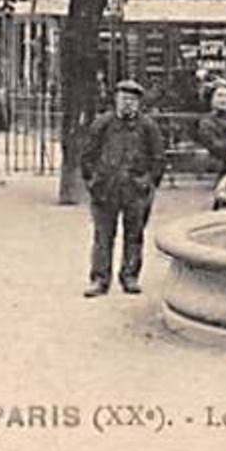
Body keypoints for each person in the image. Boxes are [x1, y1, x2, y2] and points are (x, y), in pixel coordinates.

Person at [77, 79, 168, 297]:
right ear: (115, 100)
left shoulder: (148, 127)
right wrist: (93, 182)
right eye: (124, 99)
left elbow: (158, 158)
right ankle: (100, 279)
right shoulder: (102, 124)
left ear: (139, 103)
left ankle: (130, 276)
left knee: (134, 235)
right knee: (103, 236)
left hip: (135, 190)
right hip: (106, 189)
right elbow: (87, 156)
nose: (128, 104)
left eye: (133, 100)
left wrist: (148, 183)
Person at [195, 81, 226, 173]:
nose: (223, 100)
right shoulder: (206, 122)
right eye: (219, 96)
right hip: (219, 166)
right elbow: (215, 147)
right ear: (211, 99)